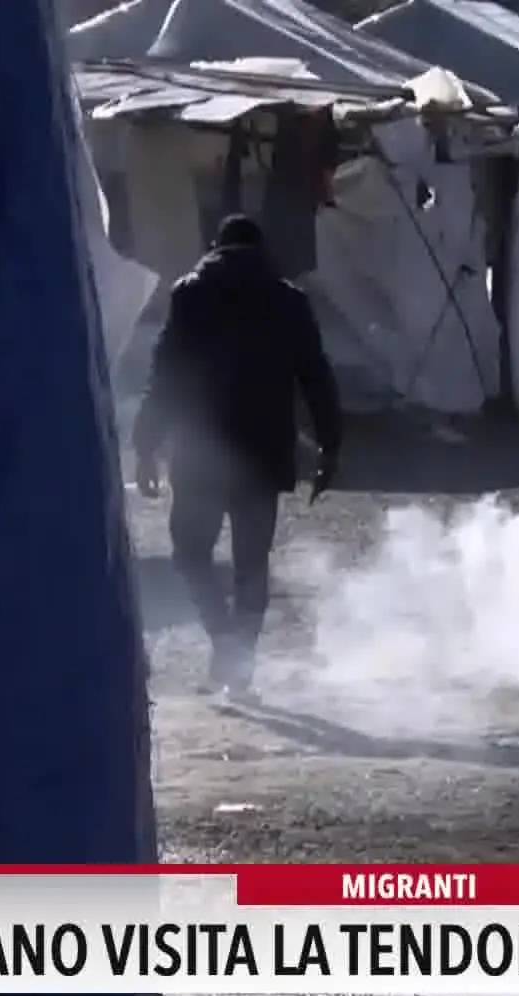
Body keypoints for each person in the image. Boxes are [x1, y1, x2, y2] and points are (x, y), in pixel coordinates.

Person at [132, 214, 341, 699]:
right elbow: (317, 376)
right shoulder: (289, 301)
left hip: (200, 450)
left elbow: (165, 374)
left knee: (189, 553)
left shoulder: (191, 294)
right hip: (263, 451)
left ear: (215, 246)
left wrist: (145, 446)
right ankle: (240, 662)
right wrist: (331, 445)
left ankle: (224, 640)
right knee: (251, 562)